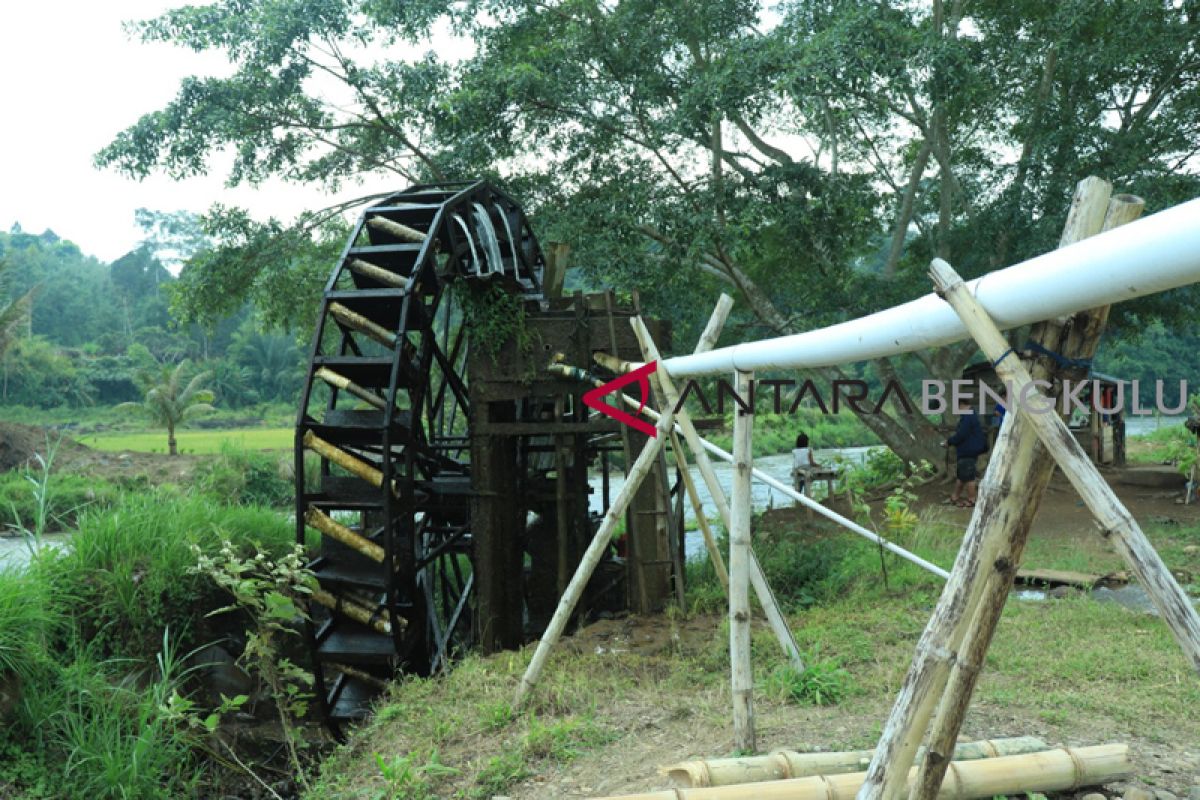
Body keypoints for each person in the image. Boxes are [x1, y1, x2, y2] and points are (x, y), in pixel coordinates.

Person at [944, 409, 987, 507]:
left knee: (969, 478)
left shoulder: (969, 421)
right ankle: (954, 497)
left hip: (968, 453)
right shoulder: (969, 421)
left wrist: (949, 441)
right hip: (965, 453)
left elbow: (960, 435)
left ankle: (972, 500)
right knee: (961, 477)